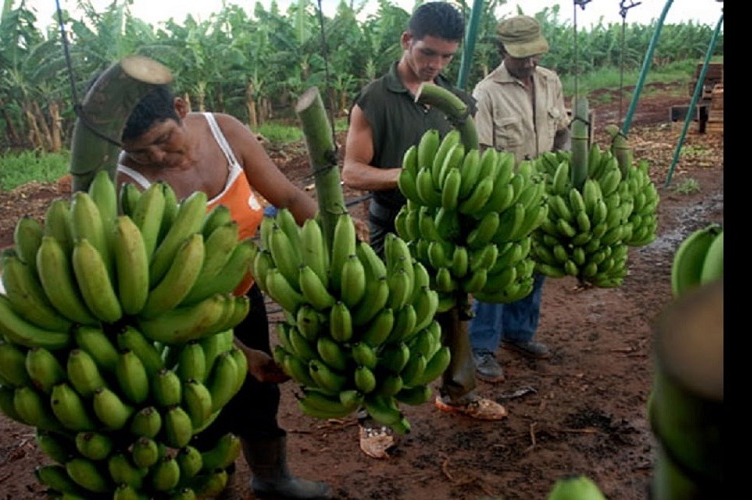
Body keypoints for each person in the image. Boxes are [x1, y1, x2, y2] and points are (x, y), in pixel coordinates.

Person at [116, 84, 331, 499]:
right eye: (142, 152)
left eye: (163, 140)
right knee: (203, 409)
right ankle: (216, 483)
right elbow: (159, 288)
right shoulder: (128, 182)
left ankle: (272, 477)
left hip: (241, 295)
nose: (157, 157)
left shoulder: (224, 132)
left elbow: (286, 196)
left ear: (181, 107)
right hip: (178, 316)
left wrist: (336, 236)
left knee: (259, 393)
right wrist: (237, 351)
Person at [342, 1, 507, 459]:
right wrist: (413, 176)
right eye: (428, 53)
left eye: (446, 57)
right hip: (393, 229)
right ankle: (374, 415)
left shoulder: (458, 103)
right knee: (385, 321)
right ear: (406, 41)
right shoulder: (373, 99)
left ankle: (457, 393)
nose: (435, 65)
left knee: (455, 315)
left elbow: (471, 162)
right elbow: (353, 173)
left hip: (447, 232)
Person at [468, 15, 571, 382]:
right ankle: (482, 347)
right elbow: (479, 152)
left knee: (537, 266)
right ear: (501, 51)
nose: (530, 62)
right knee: (497, 273)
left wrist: (566, 164)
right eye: (521, 56)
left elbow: (562, 131)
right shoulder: (486, 92)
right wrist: (496, 196)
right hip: (505, 198)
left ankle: (520, 333)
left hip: (544, 192)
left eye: (534, 55)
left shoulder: (550, 81)